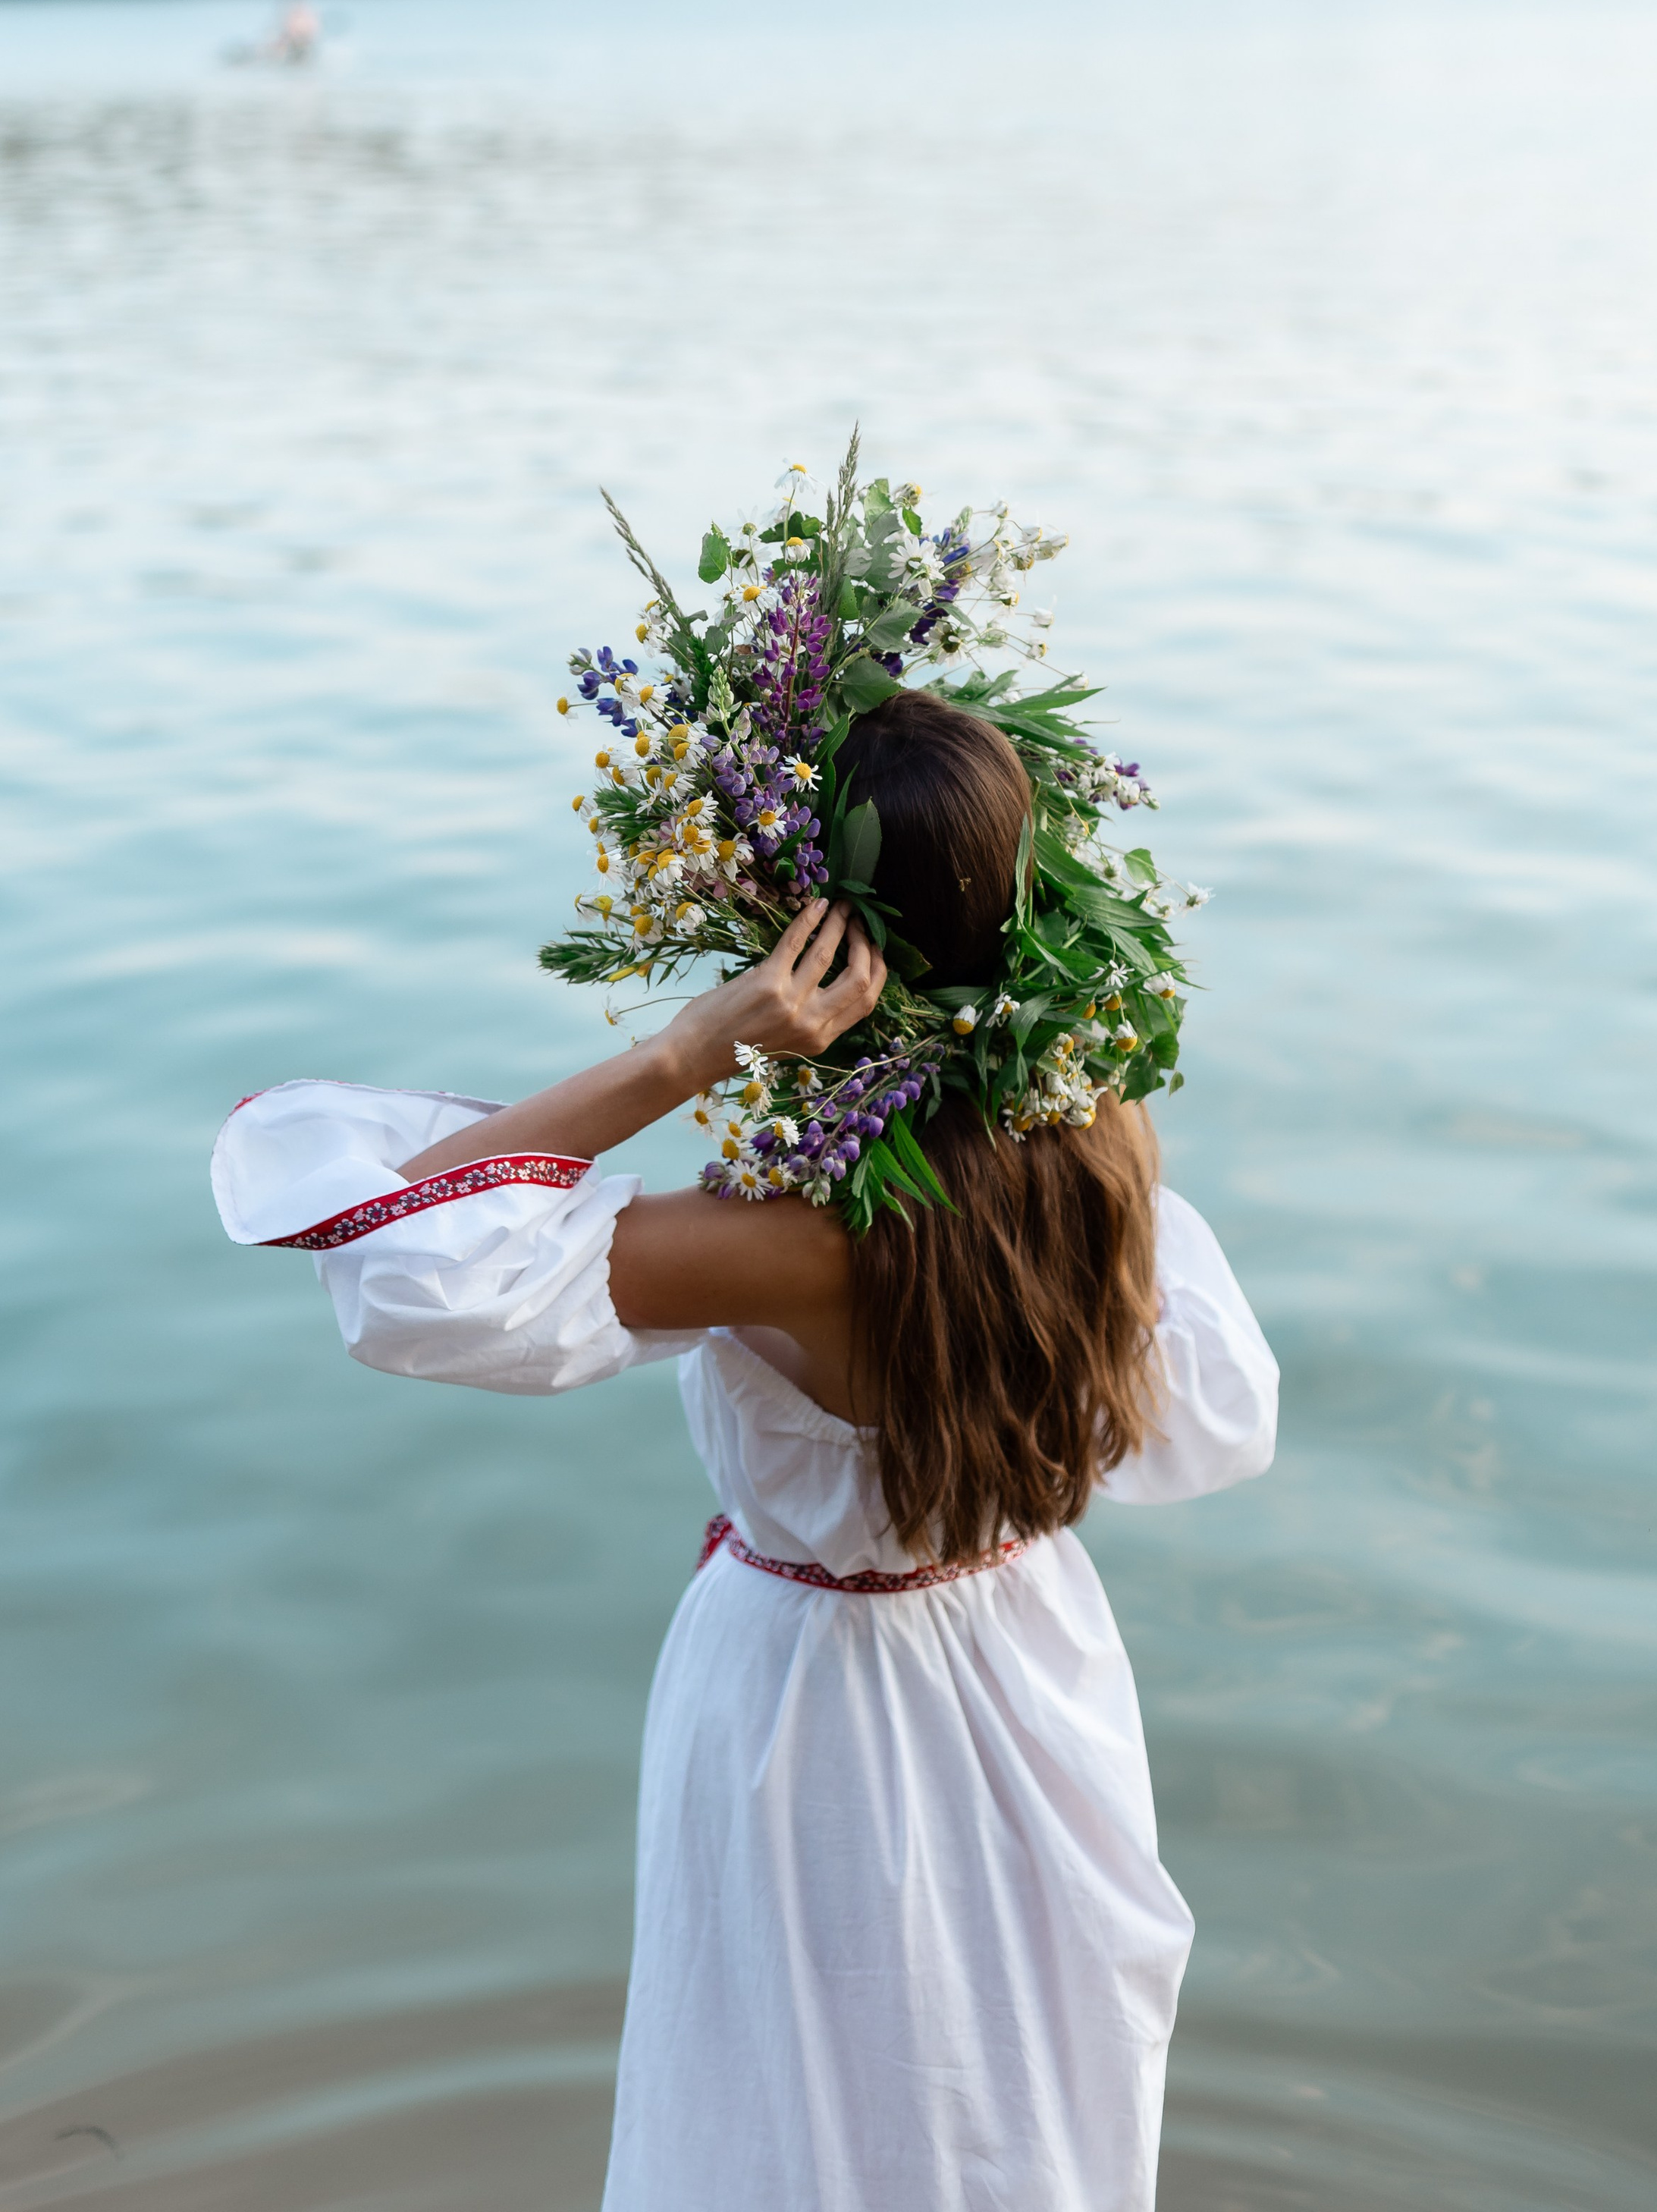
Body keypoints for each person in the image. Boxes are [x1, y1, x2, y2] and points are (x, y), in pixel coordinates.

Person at [213, 678, 1278, 2212]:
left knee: (800, 2117)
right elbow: (1209, 1418)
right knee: (1010, 2098)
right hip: (1037, 1669)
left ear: (800, 931)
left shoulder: (793, 1239)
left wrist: (687, 1055)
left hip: (820, 1715)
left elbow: (403, 1250)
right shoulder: (1097, 1136)